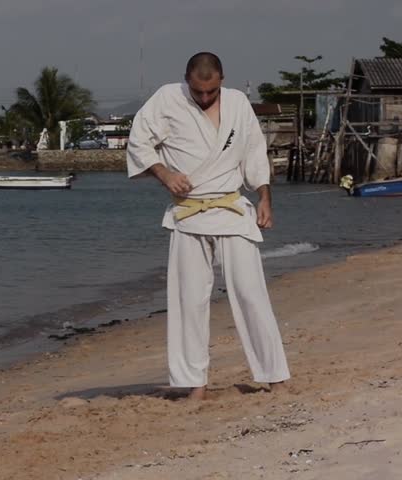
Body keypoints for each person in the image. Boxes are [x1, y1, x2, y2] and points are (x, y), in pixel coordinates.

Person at [126, 52, 290, 400]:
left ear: (222, 81)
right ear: (186, 79)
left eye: (211, 91)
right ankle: (195, 384)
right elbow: (138, 141)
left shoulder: (238, 103)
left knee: (251, 294)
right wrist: (164, 174)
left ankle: (275, 376)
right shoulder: (167, 98)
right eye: (197, 91)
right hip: (188, 213)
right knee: (189, 301)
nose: (203, 98)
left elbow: (254, 152)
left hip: (231, 209)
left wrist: (264, 197)